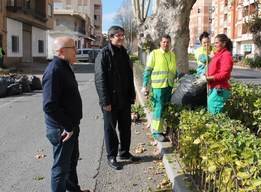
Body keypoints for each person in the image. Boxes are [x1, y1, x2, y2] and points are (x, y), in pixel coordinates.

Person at [42, 36, 89, 192]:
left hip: (71, 126)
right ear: (62, 51)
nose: (76, 51)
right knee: (60, 170)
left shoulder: (65, 66)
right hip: (62, 129)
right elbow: (49, 105)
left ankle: (74, 190)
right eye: (73, 48)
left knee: (71, 162)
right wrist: (68, 127)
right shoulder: (54, 71)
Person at [95, 26, 138, 170]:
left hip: (124, 99)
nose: (121, 37)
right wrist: (105, 101)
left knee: (126, 128)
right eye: (117, 35)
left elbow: (129, 75)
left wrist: (132, 94)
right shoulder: (104, 54)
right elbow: (100, 79)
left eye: (122, 35)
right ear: (110, 37)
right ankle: (111, 156)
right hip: (110, 101)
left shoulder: (123, 52)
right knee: (110, 129)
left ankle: (124, 152)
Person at [141, 35, 177, 142]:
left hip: (169, 85)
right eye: (164, 42)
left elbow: (173, 70)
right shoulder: (155, 54)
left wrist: (179, 75)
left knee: (165, 108)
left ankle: (162, 129)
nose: (166, 44)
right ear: (160, 43)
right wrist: (144, 85)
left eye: (168, 42)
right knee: (159, 108)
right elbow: (148, 70)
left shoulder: (172, 55)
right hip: (158, 86)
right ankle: (156, 131)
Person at [205, 34, 233, 115]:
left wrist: (209, 78)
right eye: (214, 43)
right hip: (214, 88)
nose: (215, 45)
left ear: (224, 44)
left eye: (217, 43)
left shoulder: (226, 55)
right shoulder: (218, 55)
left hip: (220, 89)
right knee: (211, 110)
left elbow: (224, 74)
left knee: (215, 114)